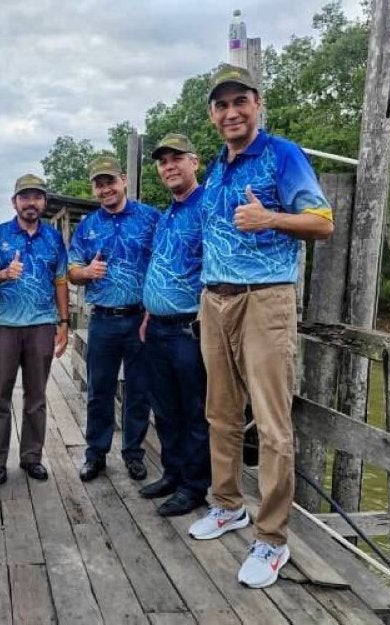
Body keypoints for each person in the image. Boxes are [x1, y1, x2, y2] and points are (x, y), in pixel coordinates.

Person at [188, 64, 334, 589]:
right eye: (221, 105)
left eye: (239, 102)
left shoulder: (282, 154)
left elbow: (323, 222)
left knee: (272, 424)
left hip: (265, 299)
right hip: (215, 300)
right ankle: (227, 505)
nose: (231, 112)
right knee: (220, 411)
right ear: (212, 114)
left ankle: (272, 538)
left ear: (257, 104)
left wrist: (270, 218)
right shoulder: (218, 167)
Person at [0, 174, 70, 485]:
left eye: (37, 197)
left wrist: (64, 322)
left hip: (42, 324)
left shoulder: (53, 239)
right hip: (3, 326)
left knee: (37, 395)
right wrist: (3, 274)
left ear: (44, 203)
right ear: (14, 202)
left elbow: (61, 281)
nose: (31, 203)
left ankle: (32, 457)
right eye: (25, 197)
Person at [68, 155, 159, 482]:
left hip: (141, 318)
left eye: (110, 181)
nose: (105, 188)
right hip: (103, 319)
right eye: (98, 183)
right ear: (94, 189)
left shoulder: (151, 218)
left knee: (139, 390)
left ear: (123, 180)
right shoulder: (87, 226)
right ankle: (95, 454)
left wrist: (153, 311)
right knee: (99, 389)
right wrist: (85, 272)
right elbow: (71, 270)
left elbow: (163, 263)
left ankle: (133, 453)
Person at [137, 133, 211, 517]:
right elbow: (159, 266)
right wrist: (149, 311)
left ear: (194, 162)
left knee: (193, 409)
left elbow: (216, 264)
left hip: (190, 328)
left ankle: (194, 486)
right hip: (158, 326)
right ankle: (172, 472)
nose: (169, 166)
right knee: (163, 407)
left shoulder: (206, 206)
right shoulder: (167, 214)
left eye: (176, 159)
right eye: (163, 161)